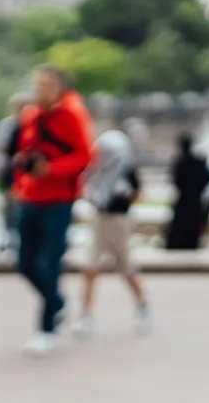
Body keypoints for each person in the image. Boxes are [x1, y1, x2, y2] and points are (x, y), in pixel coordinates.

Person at [12, 65, 96, 355]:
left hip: (59, 200)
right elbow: (24, 152)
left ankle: (46, 328)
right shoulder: (32, 116)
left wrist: (53, 169)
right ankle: (57, 301)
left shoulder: (72, 114)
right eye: (38, 84)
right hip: (30, 197)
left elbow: (86, 155)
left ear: (60, 87)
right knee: (24, 263)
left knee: (49, 263)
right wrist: (21, 179)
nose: (41, 89)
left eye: (47, 84)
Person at [75, 129, 152, 337]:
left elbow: (136, 192)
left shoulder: (126, 169)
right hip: (101, 217)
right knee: (90, 267)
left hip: (118, 221)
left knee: (126, 267)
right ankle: (86, 315)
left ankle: (143, 304)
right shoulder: (97, 170)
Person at [0, 92, 29, 254]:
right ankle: (8, 239)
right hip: (10, 174)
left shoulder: (31, 125)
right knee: (9, 209)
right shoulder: (7, 126)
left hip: (26, 175)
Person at [165, 134, 209, 250]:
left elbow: (175, 180)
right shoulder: (198, 161)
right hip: (194, 199)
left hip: (186, 199)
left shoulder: (180, 162)